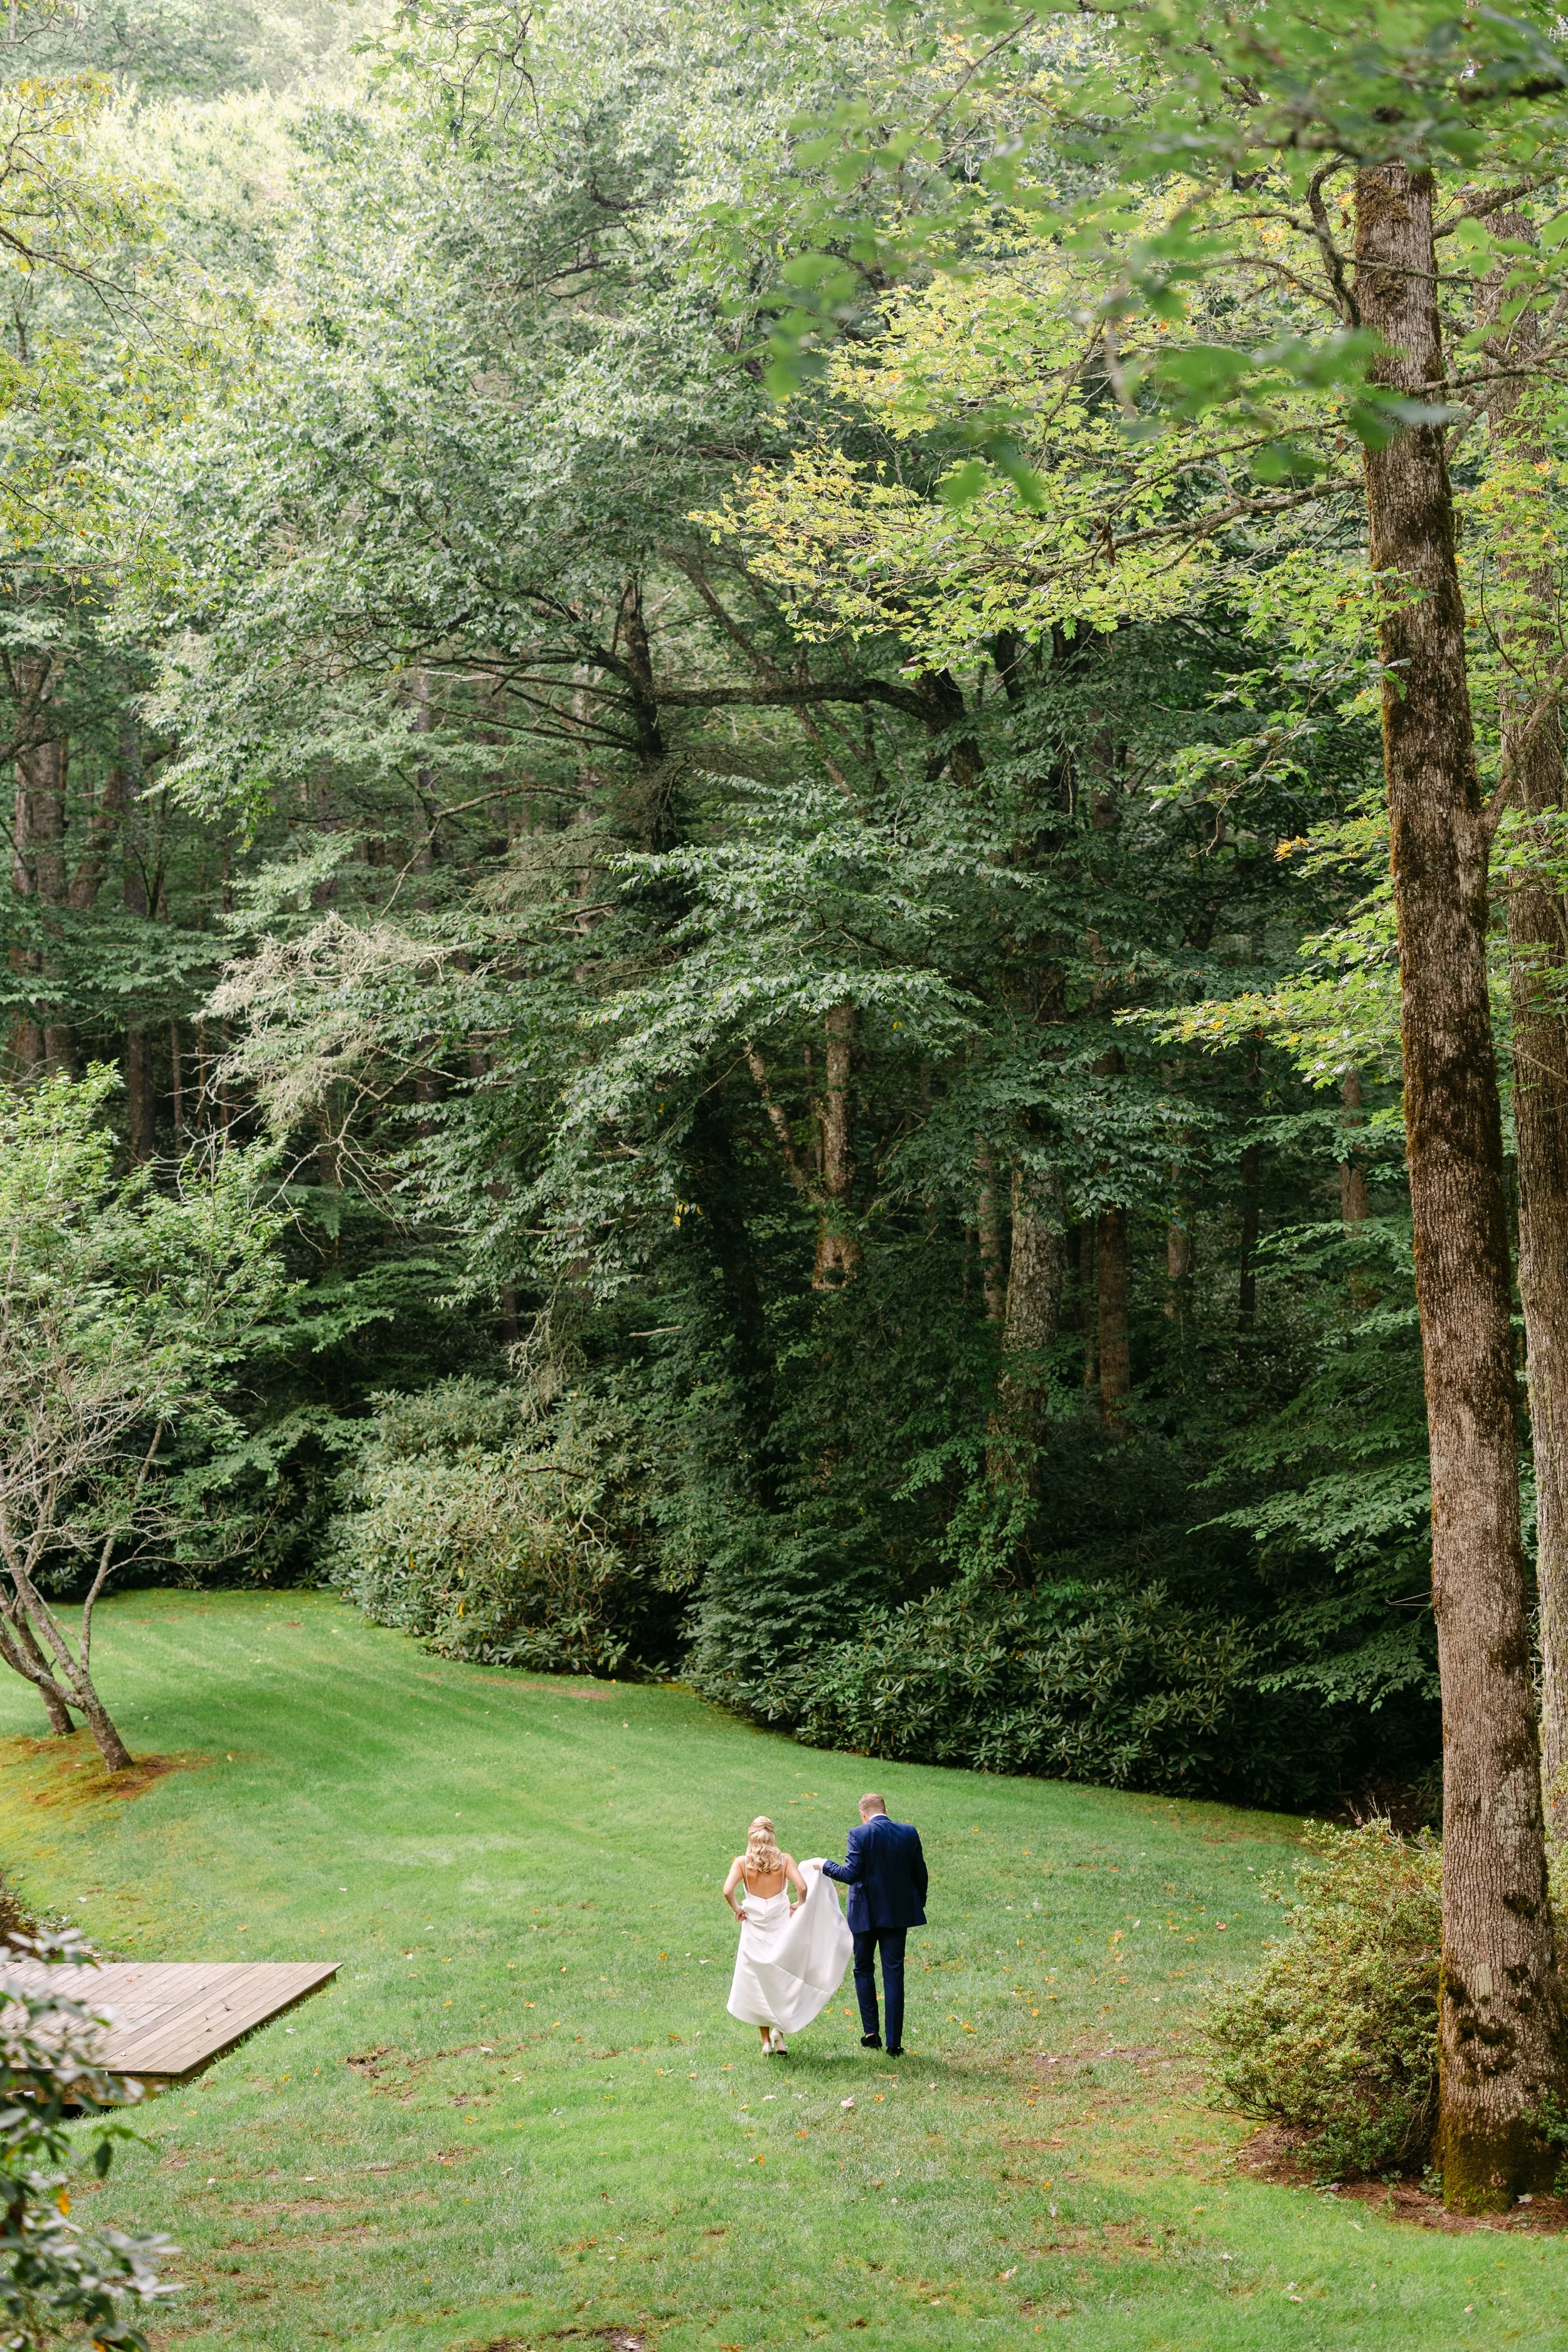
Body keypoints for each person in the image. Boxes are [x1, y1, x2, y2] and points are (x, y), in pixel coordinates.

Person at [723, 1814, 852, 2056]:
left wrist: (738, 1909)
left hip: (754, 1928)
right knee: (779, 1978)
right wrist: (798, 1904)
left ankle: (764, 2042)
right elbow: (803, 1887)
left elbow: (727, 1890)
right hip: (780, 1926)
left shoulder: (742, 1863)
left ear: (751, 1837)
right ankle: (778, 2034)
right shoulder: (784, 1861)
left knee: (756, 1980)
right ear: (772, 1837)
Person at [820, 1792, 927, 2058]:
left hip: (864, 1915)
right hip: (897, 1915)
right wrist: (915, 1904)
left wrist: (824, 1865)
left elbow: (850, 1873)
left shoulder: (860, 1834)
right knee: (894, 1974)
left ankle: (871, 2034)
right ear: (885, 1810)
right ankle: (894, 2044)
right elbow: (920, 1874)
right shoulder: (908, 1832)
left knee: (864, 1969)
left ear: (863, 1814)